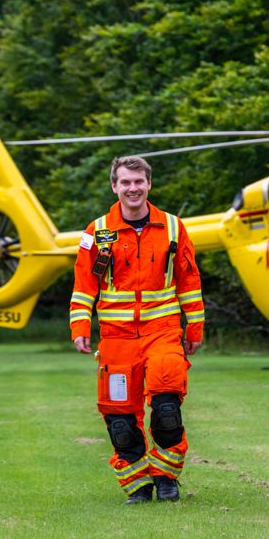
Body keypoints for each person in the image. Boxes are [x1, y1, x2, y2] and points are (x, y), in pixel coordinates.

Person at [70, 156, 205, 504]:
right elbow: (85, 284)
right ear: (114, 186)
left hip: (163, 332)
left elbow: (188, 281)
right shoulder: (97, 232)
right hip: (116, 339)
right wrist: (81, 325)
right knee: (121, 423)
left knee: (166, 409)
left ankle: (165, 478)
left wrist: (195, 328)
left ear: (149, 184)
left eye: (139, 181)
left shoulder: (174, 228)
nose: (133, 188)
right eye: (125, 182)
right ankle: (137, 485)